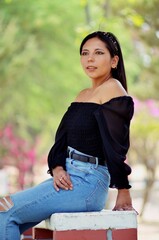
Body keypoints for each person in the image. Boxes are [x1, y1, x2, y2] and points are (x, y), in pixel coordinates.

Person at [0, 31, 135, 240]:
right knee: (7, 217)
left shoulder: (113, 89)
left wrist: (123, 189)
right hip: (68, 178)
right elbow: (62, 138)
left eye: (98, 53)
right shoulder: (83, 94)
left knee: (4, 212)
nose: (89, 58)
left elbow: (116, 146)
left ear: (114, 60)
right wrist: (57, 167)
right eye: (84, 53)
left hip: (88, 182)